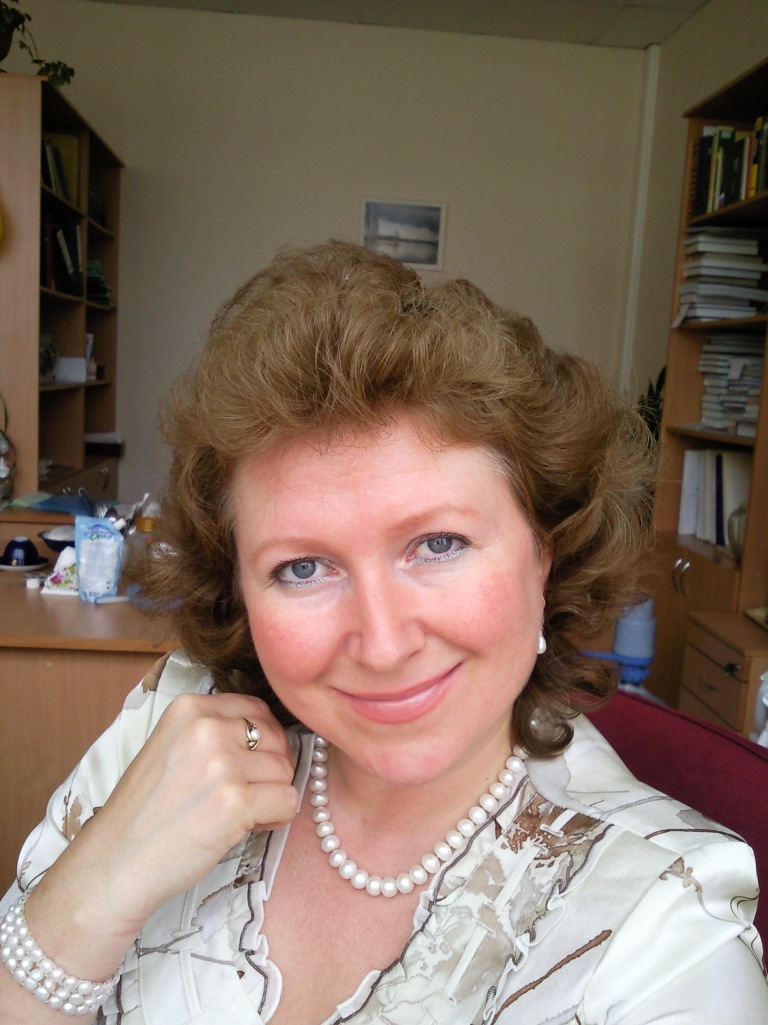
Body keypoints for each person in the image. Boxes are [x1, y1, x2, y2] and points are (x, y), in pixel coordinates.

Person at [1, 240, 766, 1025]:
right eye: (303, 567)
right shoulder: (172, 721)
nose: (383, 642)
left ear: (546, 552)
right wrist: (97, 886)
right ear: (238, 589)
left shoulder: (665, 929)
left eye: (438, 543)